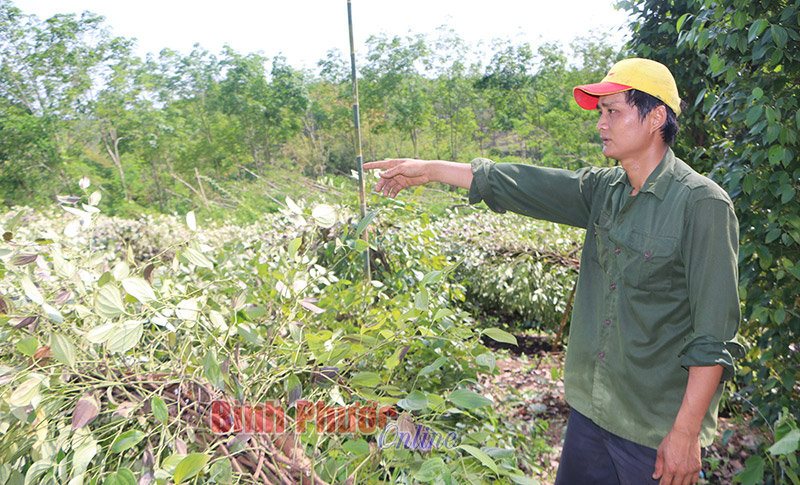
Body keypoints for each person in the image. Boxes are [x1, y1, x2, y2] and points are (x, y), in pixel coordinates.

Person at [363, 58, 744, 485]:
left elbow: (714, 337)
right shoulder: (604, 191)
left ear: (656, 116)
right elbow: (521, 183)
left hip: (652, 433)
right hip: (590, 414)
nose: (601, 123)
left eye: (612, 111)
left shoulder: (702, 205)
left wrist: (685, 433)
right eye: (600, 112)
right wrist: (429, 170)